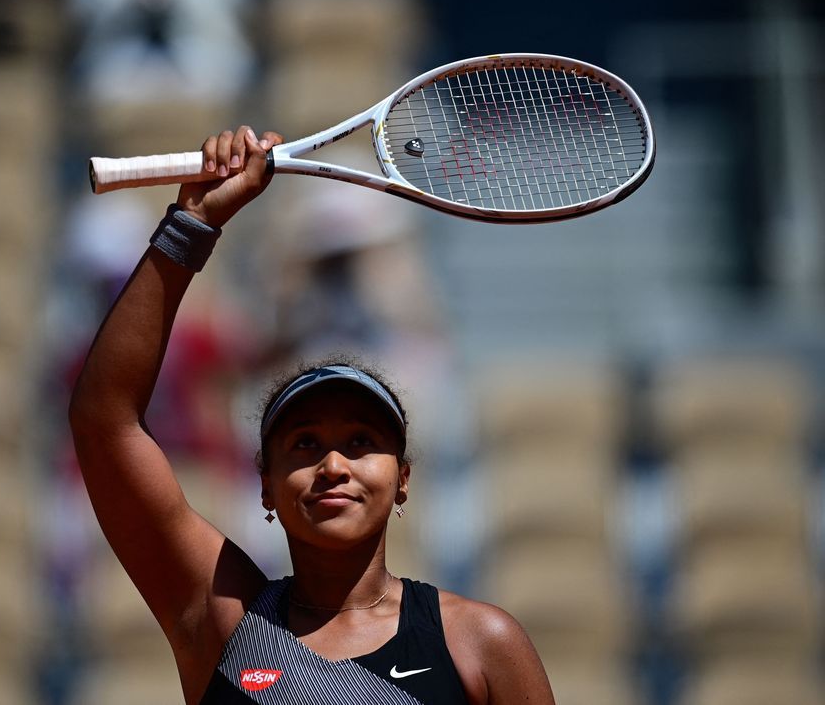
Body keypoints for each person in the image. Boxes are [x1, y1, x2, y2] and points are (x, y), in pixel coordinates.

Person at [68, 126, 555, 704]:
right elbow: (105, 422)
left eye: (359, 441)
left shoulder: (479, 643)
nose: (332, 465)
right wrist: (190, 224)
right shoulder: (226, 625)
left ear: (403, 479)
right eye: (303, 443)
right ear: (265, 486)